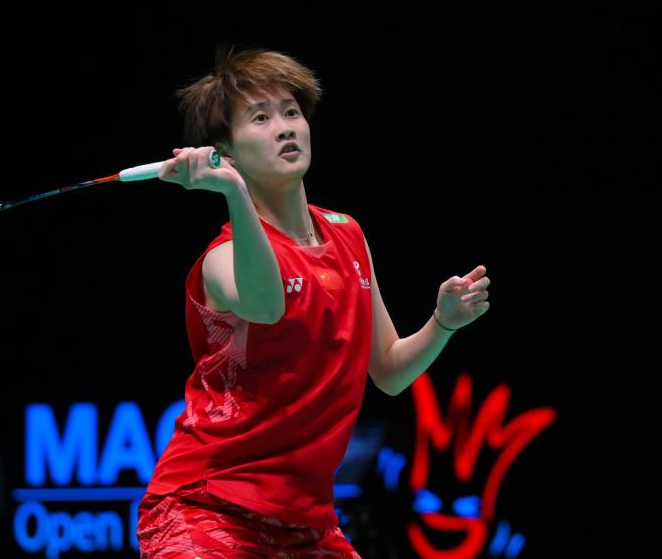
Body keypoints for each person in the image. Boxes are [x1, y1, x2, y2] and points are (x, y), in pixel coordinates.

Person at [136, 48, 490, 558]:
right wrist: (234, 193)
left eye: (291, 111)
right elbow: (266, 306)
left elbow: (389, 371)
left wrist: (443, 323)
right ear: (225, 152)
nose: (285, 128)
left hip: (308, 523)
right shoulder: (222, 260)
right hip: (206, 508)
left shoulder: (348, 234)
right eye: (260, 118)